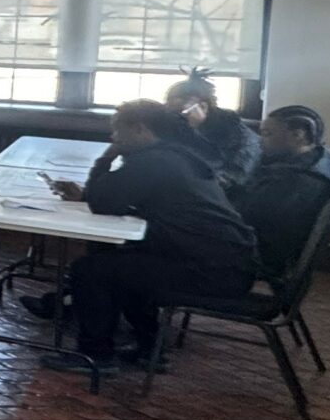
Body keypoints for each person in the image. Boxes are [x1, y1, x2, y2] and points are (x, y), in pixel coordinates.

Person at [45, 100, 259, 369]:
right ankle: (149, 347)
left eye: (118, 131)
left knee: (91, 270)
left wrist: (106, 158)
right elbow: (117, 199)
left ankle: (95, 356)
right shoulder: (176, 155)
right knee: (117, 263)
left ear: (139, 129)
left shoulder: (155, 161)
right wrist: (92, 193)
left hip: (210, 271)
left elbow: (104, 203)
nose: (114, 137)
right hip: (226, 263)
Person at [232, 105, 330, 280]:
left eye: (268, 134)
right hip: (270, 250)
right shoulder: (322, 161)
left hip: (254, 257)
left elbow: (243, 217)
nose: (260, 141)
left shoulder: (296, 182)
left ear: (298, 135)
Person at [166, 70, 260, 189]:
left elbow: (232, 178)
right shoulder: (176, 128)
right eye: (171, 112)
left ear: (203, 107)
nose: (176, 118)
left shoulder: (236, 132)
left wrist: (195, 130)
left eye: (181, 113)